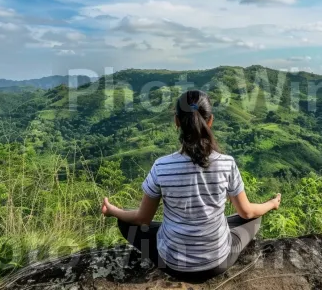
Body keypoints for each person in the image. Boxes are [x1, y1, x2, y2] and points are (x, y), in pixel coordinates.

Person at [101, 89, 281, 282]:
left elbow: (143, 219)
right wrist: (272, 204)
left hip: (172, 264)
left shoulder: (161, 166)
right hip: (218, 262)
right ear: (210, 121)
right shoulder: (226, 163)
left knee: (126, 220)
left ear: (177, 121)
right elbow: (247, 213)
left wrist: (113, 211)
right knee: (254, 217)